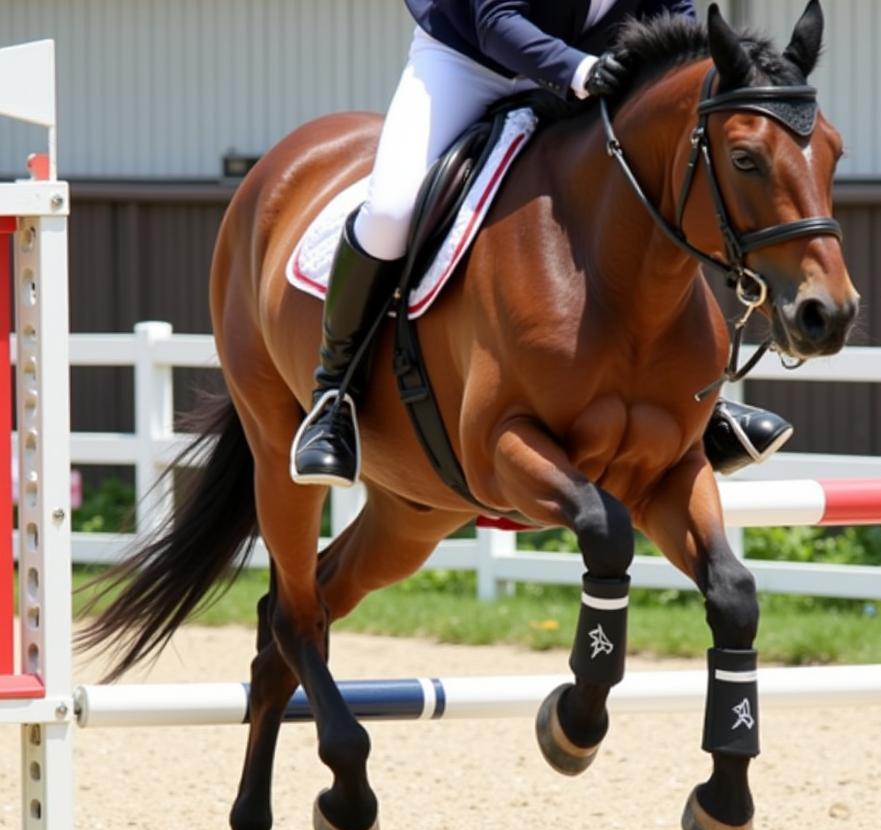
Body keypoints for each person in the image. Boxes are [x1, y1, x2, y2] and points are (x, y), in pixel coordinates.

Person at [290, 0, 793, 487]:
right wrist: (578, 70)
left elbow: (675, 20)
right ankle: (335, 394)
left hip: (594, 68)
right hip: (469, 63)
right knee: (391, 212)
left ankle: (699, 400)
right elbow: (495, 19)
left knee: (661, 189)